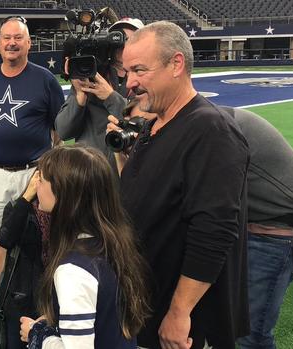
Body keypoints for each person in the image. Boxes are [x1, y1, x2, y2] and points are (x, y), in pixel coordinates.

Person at [113, 21, 250, 348]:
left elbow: (213, 232)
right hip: (145, 303)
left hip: (181, 321)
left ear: (176, 64)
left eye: (139, 70)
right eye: (127, 71)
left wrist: (179, 312)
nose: (129, 82)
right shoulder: (156, 123)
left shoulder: (210, 131)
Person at [17, 145, 150, 349]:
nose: (36, 185)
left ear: (64, 195)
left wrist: (38, 334)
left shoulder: (73, 270)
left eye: (41, 179)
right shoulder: (112, 241)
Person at [0, 16, 64, 286]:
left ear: (29, 43)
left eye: (18, 38)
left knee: (42, 234)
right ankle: (0, 296)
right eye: (6, 38)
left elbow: (59, 125)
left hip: (34, 173)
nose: (11, 43)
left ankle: (42, 289)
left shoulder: (45, 79)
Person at [225, 108, 293, 349]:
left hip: (277, 228)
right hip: (255, 225)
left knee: (251, 334)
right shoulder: (206, 120)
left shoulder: (214, 127)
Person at [54, 18, 142, 175]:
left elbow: (139, 125)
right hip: (90, 174)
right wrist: (80, 97)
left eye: (131, 39)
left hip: (129, 172)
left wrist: (110, 97)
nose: (123, 44)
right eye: (119, 37)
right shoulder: (91, 76)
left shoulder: (149, 80)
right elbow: (64, 132)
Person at [0, 173, 51, 349]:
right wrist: (26, 198)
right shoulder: (19, 208)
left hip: (51, 299)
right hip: (21, 298)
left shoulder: (67, 212)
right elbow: (4, 240)